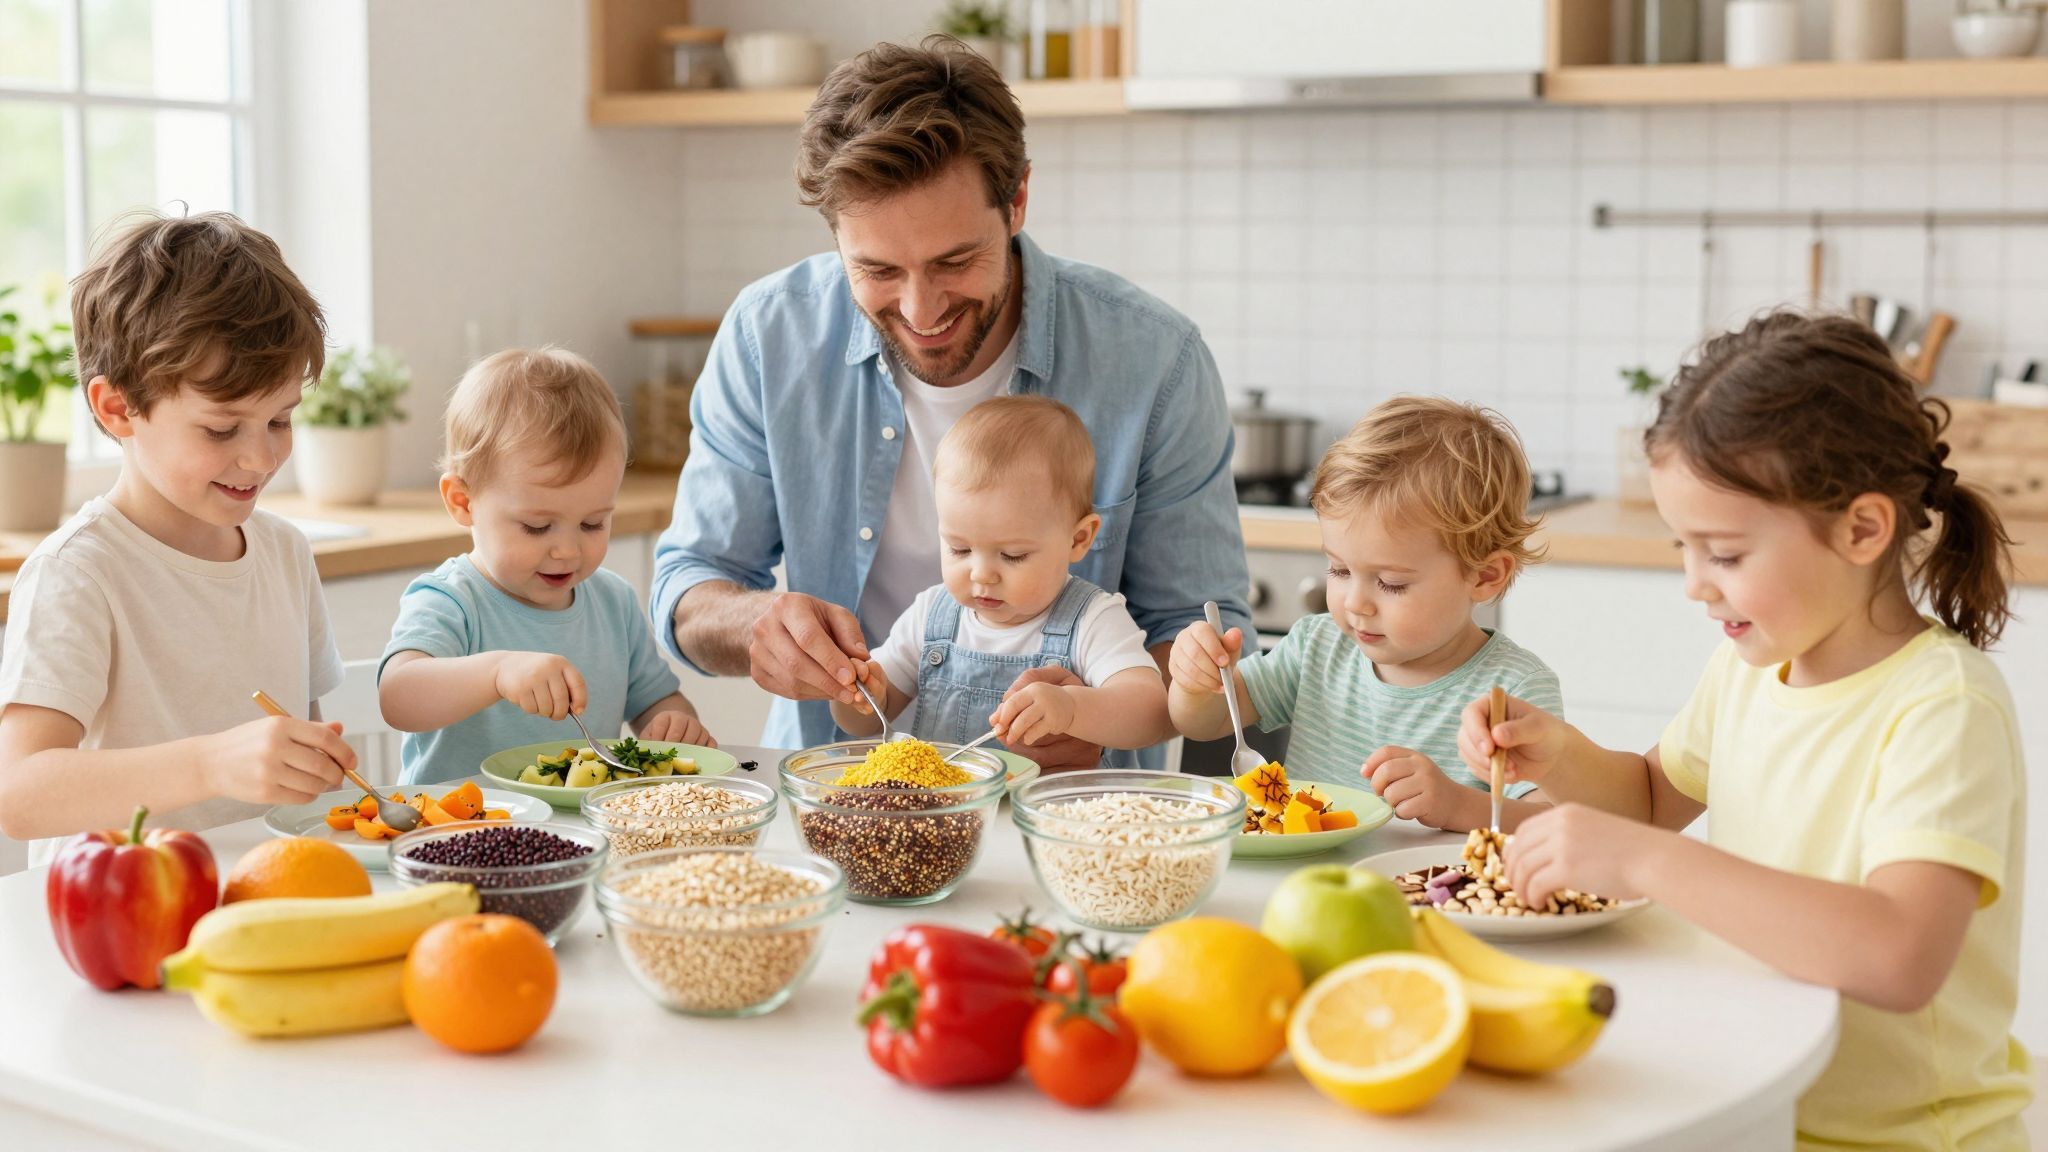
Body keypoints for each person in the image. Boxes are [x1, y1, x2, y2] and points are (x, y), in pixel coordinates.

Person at [1461, 312, 2031, 1148]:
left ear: (1862, 530)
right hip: (1757, 1102)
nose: (1695, 585)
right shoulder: (1752, 666)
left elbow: (1901, 955)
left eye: (1724, 555)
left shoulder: (1942, 705)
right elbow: (1654, 797)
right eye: (1684, 549)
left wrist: (1646, 861)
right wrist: (1560, 753)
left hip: (1906, 1136)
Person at [651, 37, 1249, 766]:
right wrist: (756, 627)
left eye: (954, 262)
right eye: (876, 269)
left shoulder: (1154, 361)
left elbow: (1199, 635)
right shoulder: (767, 334)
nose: (920, 307)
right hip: (839, 800)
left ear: (1017, 200)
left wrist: (1095, 713)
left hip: (1075, 826)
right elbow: (687, 586)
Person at [0, 211, 352, 854]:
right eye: (222, 429)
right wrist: (208, 765)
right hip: (117, 923)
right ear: (117, 408)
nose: (262, 458)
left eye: (280, 420)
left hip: (264, 901)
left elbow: (300, 762)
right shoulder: (79, 573)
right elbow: (19, 794)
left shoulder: (283, 553)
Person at [1170, 396, 1559, 831]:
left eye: (1391, 582)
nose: (1355, 603)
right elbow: (1204, 724)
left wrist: (1458, 805)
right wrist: (1194, 683)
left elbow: (1553, 824)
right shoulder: (1317, 647)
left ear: (1485, 576)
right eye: (1338, 569)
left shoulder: (1515, 692)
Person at [379, 347, 712, 784]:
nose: (567, 551)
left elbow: (657, 701)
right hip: (457, 833)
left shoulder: (613, 603)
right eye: (537, 527)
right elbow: (399, 698)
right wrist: (498, 672)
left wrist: (674, 722)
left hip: (582, 839)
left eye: (593, 523)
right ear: (463, 502)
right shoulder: (452, 600)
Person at [831, 397, 1173, 758]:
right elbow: (863, 724)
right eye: (959, 549)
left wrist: (1072, 709)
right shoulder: (932, 615)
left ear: (1079, 539)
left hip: (1053, 812)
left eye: (1013, 555)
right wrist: (857, 695)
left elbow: (1150, 713)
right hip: (951, 813)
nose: (981, 574)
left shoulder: (1093, 620)